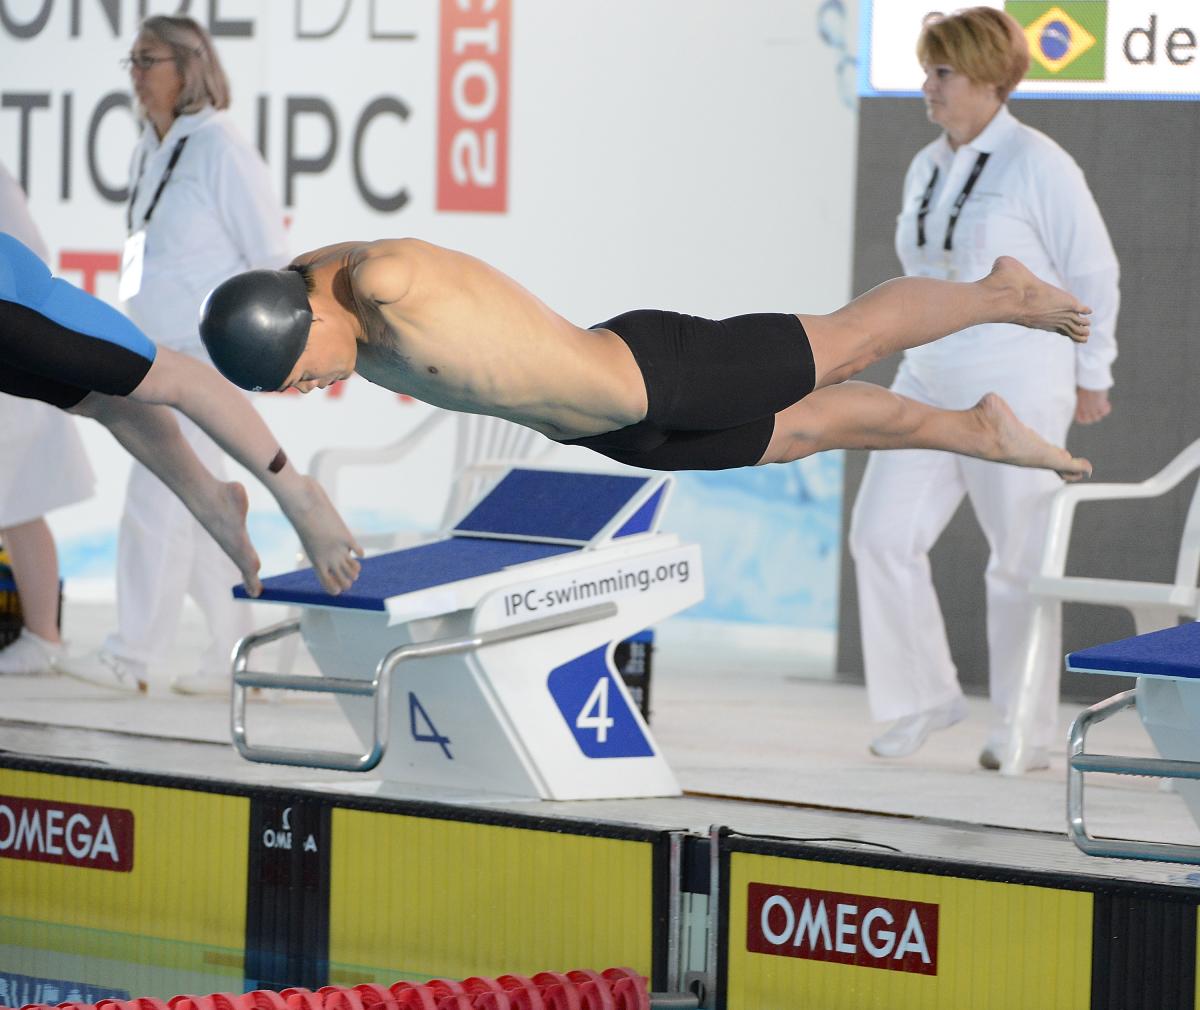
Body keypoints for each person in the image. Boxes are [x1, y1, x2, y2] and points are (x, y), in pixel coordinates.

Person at [199, 234, 1091, 486]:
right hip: (620, 434)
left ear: (310, 310)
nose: (314, 388)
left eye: (302, 373)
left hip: (658, 371)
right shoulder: (318, 314)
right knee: (805, 434)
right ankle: (976, 430)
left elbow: (369, 264)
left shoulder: (381, 282)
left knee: (853, 343)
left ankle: (1001, 292)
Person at [848, 8, 1119, 770]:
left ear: (992, 80)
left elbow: (1093, 273)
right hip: (927, 369)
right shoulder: (926, 163)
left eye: (942, 73)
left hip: (1022, 377)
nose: (926, 87)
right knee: (880, 536)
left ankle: (1025, 733)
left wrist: (1091, 370)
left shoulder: (1040, 162)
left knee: (1018, 558)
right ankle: (920, 699)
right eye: (926, 70)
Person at [0, 232, 363, 684]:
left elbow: (193, 382)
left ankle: (299, 495)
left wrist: (294, 495)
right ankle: (210, 499)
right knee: (106, 403)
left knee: (169, 382)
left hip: (9, 302)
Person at [61, 15, 292, 696]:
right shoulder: (150, 148)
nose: (134, 73)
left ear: (189, 66)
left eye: (147, 59)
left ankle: (131, 657)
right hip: (153, 348)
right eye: (129, 59)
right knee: (201, 506)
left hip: (203, 356)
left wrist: (278, 355)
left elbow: (271, 260)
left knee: (160, 494)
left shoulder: (220, 147)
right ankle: (239, 650)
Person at [0, 164, 96, 676]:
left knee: (18, 505)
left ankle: (43, 636)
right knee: (15, 507)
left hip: (10, 360)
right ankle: (42, 636)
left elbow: (28, 255)